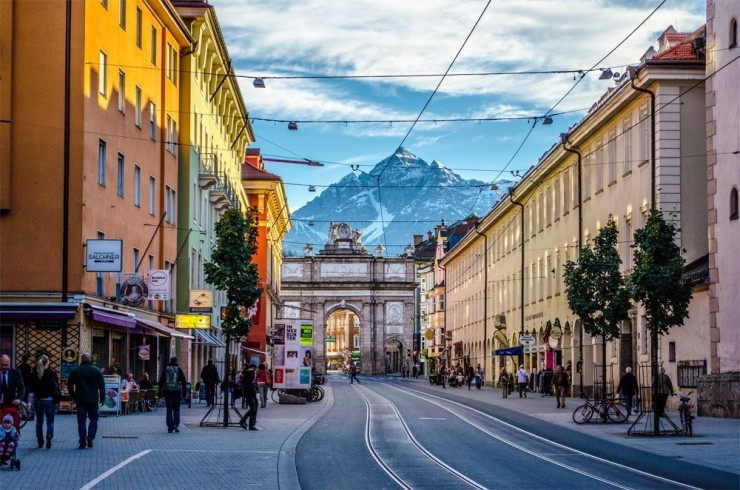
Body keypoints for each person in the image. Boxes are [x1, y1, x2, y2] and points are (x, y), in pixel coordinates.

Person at [67, 353, 105, 449]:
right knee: (94, 419)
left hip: (81, 400)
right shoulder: (96, 370)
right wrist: (102, 398)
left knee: (81, 421)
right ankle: (90, 437)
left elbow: (69, 385)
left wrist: (74, 396)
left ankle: (82, 442)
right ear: (90, 360)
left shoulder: (75, 371)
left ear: (81, 359)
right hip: (93, 399)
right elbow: (102, 386)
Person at [31, 355, 59, 449]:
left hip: (38, 400)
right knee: (50, 421)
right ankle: (49, 435)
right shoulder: (51, 372)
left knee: (39, 421)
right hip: (50, 400)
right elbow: (54, 386)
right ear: (47, 362)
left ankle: (40, 441)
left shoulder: (35, 373)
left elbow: (31, 387)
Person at [158, 357, 187, 433]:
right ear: (176, 361)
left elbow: (161, 381)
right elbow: (184, 382)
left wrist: (159, 392)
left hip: (167, 392)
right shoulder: (179, 369)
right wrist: (184, 393)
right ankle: (176, 425)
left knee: (169, 410)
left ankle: (170, 427)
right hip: (176, 392)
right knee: (176, 410)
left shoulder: (166, 369)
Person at [239, 364, 258, 430]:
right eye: (255, 369)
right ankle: (244, 421)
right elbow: (248, 383)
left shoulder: (248, 374)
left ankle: (251, 424)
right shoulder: (249, 374)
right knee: (253, 409)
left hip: (252, 393)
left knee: (254, 409)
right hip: (250, 394)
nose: (256, 370)